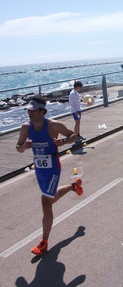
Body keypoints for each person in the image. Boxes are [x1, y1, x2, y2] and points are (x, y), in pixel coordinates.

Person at [16, 95, 83, 256]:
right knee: (50, 199)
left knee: (46, 202)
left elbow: (74, 136)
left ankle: (44, 242)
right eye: (28, 110)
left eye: (32, 111)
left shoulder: (53, 126)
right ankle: (74, 186)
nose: (29, 113)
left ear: (42, 111)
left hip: (53, 167)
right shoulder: (26, 127)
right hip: (39, 168)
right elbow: (18, 147)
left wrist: (63, 142)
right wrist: (24, 146)